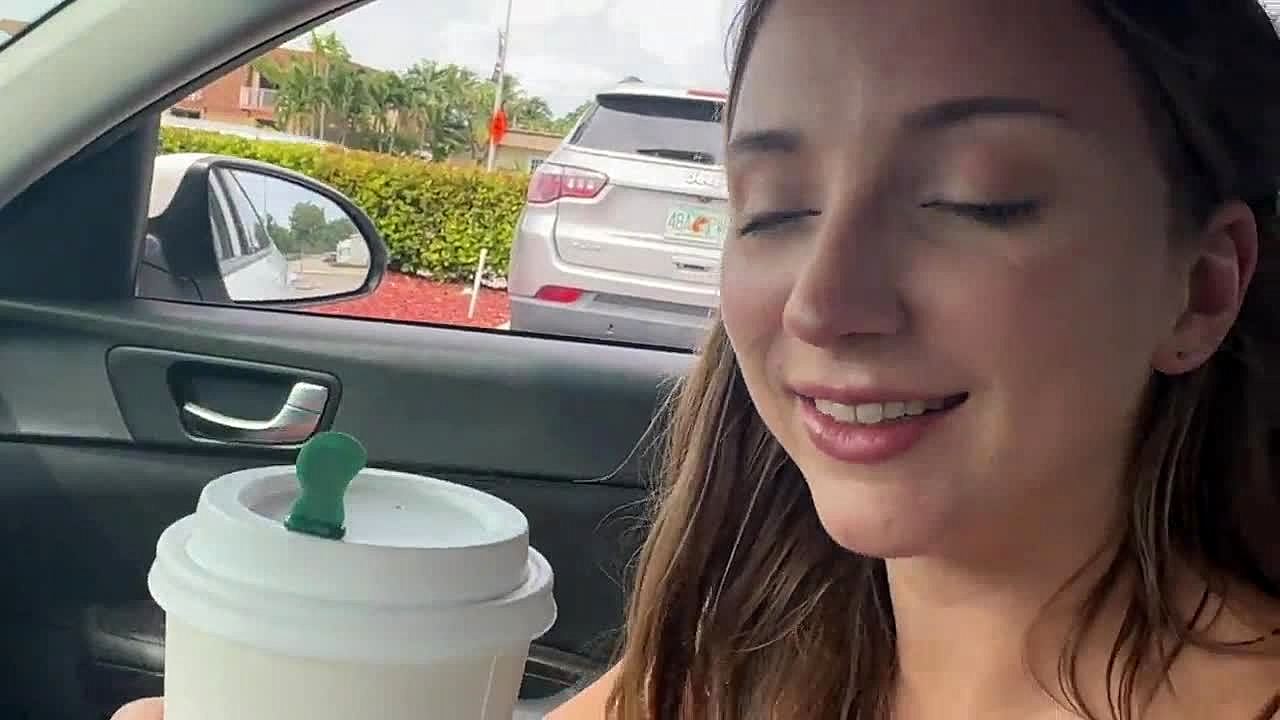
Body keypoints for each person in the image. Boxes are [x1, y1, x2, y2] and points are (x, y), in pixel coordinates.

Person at [116, 0, 1280, 718]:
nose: (822, 303)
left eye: (975, 198)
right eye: (772, 209)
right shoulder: (727, 657)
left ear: (1199, 287)